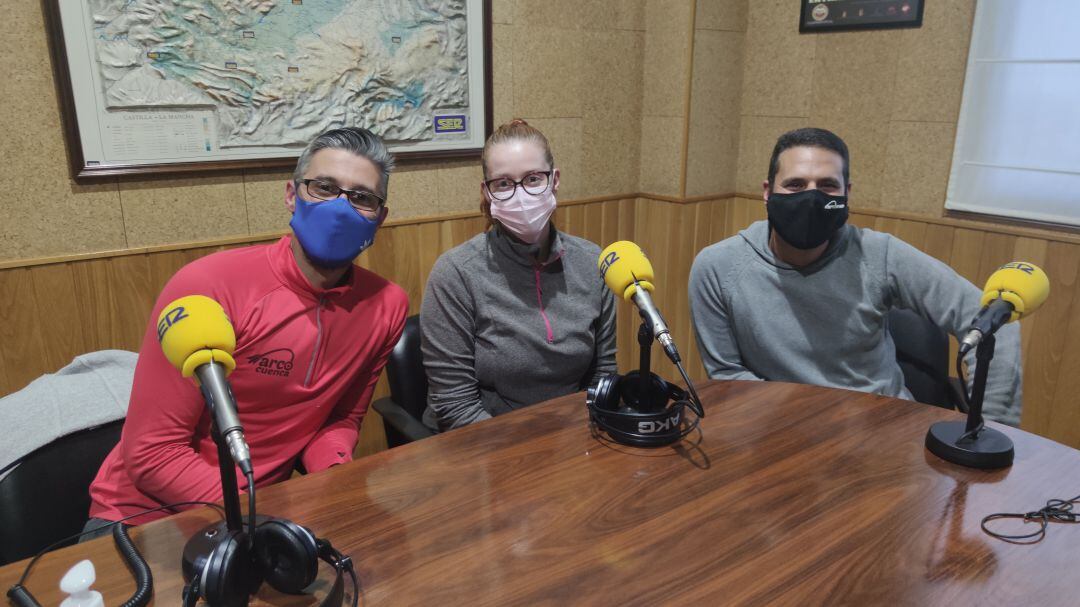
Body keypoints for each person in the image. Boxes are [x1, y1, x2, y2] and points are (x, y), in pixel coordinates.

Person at [84, 127, 409, 536]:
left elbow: (341, 418)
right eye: (324, 188)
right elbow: (153, 453)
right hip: (143, 516)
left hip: (263, 511)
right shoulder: (209, 285)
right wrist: (260, 516)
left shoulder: (386, 305)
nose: (341, 208)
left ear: (380, 217)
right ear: (292, 195)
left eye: (362, 197)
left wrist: (335, 481)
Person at [688, 127, 1022, 424]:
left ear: (846, 192)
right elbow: (729, 376)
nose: (811, 197)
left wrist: (989, 429)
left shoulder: (881, 255)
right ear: (767, 191)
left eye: (827, 186)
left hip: (885, 432)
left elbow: (996, 323)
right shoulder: (718, 268)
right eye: (795, 185)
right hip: (778, 433)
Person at [420, 119, 617, 431]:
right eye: (503, 184)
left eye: (533, 179)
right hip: (484, 445)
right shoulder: (456, 273)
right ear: (487, 192)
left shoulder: (595, 262)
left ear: (554, 180)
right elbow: (454, 405)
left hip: (573, 438)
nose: (521, 195)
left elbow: (604, 375)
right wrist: (527, 458)